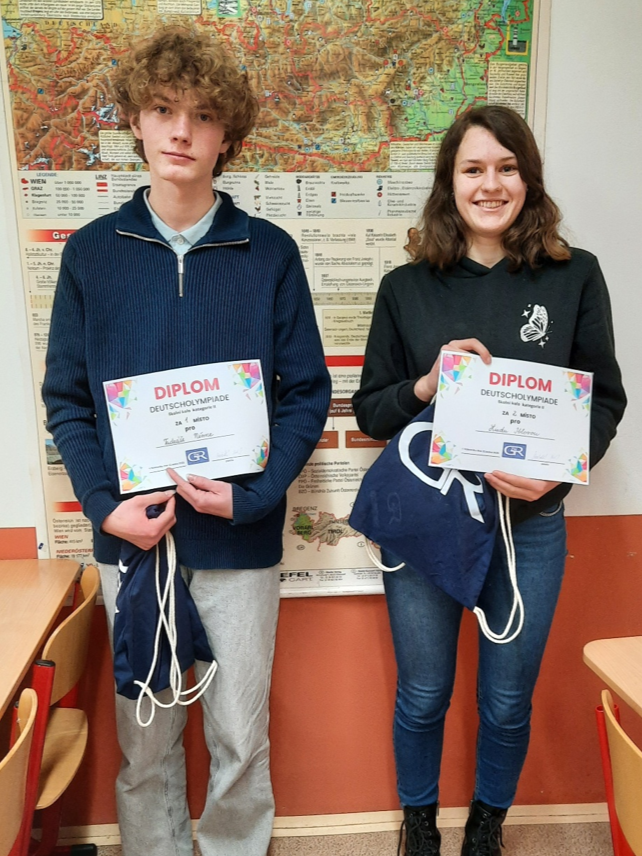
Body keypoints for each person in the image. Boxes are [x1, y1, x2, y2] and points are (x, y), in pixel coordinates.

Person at [42, 26, 331, 856]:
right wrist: (105, 507)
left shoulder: (269, 253)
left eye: (202, 116)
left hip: (239, 538)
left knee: (239, 734)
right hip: (134, 544)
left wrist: (256, 496)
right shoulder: (91, 255)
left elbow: (307, 393)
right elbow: (68, 400)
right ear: (135, 119)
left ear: (226, 136)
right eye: (164, 110)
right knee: (146, 744)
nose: (181, 131)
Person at [352, 105, 626, 856]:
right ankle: (418, 826)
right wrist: (425, 384)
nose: (490, 184)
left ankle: (486, 828)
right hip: (428, 526)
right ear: (450, 182)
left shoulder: (576, 276)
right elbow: (372, 411)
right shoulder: (405, 287)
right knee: (423, 693)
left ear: (528, 179)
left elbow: (604, 401)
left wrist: (554, 479)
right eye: (473, 169)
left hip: (529, 527)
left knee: (506, 701)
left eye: (507, 167)